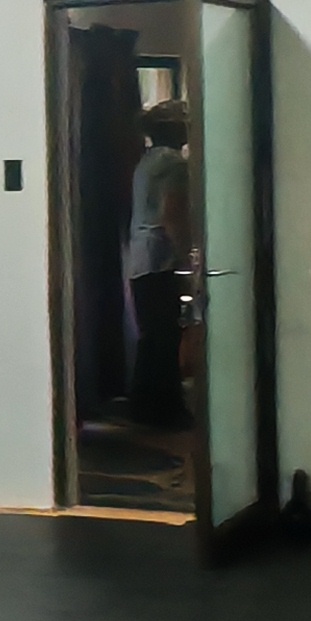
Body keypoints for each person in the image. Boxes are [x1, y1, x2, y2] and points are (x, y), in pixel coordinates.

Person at [123, 101, 193, 427]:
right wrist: (186, 256)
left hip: (140, 258)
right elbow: (172, 214)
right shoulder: (174, 164)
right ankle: (165, 410)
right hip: (159, 258)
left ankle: (144, 407)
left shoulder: (147, 162)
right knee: (165, 336)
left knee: (152, 336)